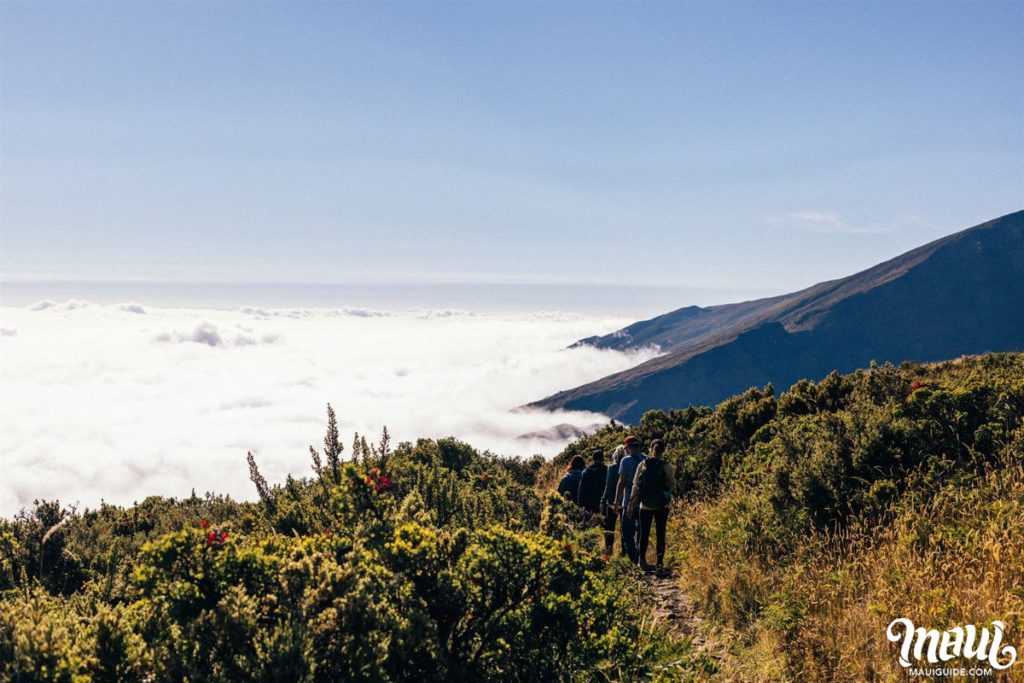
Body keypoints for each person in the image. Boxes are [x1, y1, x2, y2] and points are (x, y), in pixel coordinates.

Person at [628, 439, 675, 572]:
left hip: (645, 505)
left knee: (644, 533)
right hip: (662, 505)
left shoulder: (643, 464)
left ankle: (642, 562)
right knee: (661, 534)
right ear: (663, 450)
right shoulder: (667, 466)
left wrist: (632, 502)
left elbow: (636, 484)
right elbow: (672, 484)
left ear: (650, 449)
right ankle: (659, 563)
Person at [613, 436, 646, 563]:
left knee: (627, 533)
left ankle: (634, 559)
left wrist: (617, 502)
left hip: (628, 502)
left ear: (628, 448)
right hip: (644, 503)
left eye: (626, 448)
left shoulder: (625, 461)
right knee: (641, 532)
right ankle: (641, 558)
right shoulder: (646, 459)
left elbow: (621, 483)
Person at [600, 445, 626, 555]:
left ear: (615, 455)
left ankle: (609, 550)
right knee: (624, 529)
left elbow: (609, 486)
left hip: (612, 502)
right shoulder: (627, 465)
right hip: (624, 501)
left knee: (610, 527)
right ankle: (625, 552)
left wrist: (603, 500)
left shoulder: (612, 467)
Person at [578, 449, 607, 514]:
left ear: (593, 459)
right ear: (602, 459)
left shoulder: (586, 471)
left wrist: (580, 503)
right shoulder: (607, 470)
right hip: (602, 503)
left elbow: (581, 489)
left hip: (588, 504)